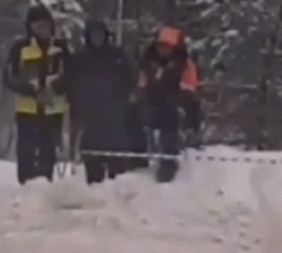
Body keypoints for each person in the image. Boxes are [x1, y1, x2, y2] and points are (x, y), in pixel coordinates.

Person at [2, 4, 70, 184]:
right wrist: (30, 91)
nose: (43, 29)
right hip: (28, 111)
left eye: (45, 24)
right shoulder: (20, 49)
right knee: (26, 154)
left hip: (53, 110)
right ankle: (26, 188)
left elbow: (72, 75)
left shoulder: (61, 48)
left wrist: (56, 88)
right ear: (30, 27)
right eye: (38, 25)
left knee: (48, 154)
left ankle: (44, 188)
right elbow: (9, 77)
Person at [68, 19, 134, 184]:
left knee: (118, 167)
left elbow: (131, 78)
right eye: (93, 35)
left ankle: (118, 194)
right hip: (90, 116)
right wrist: (75, 110)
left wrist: (125, 100)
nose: (97, 38)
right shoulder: (80, 59)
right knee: (93, 164)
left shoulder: (118, 55)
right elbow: (71, 84)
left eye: (100, 35)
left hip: (115, 115)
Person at [136, 25, 200, 182]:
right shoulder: (147, 63)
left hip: (174, 106)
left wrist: (177, 99)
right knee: (132, 114)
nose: (162, 49)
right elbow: (140, 84)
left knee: (171, 117)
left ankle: (168, 163)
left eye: (167, 46)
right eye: (160, 45)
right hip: (151, 103)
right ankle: (135, 159)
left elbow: (189, 90)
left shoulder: (185, 65)